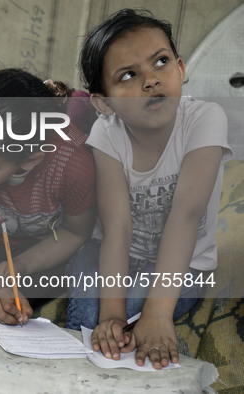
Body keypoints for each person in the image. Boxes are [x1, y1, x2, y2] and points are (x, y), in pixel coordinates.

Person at [66, 9, 232, 369]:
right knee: (91, 312)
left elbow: (186, 216)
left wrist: (156, 312)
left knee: (140, 301)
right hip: (111, 252)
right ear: (104, 103)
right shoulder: (107, 134)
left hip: (182, 265)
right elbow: (117, 227)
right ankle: (72, 373)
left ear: (182, 69)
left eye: (161, 62)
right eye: (128, 75)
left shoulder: (205, 119)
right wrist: (110, 315)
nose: (151, 80)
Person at [0, 68, 96, 325]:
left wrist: (20, 267)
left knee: (13, 310)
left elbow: (76, 233)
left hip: (43, 250)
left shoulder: (73, 164)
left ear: (29, 161)